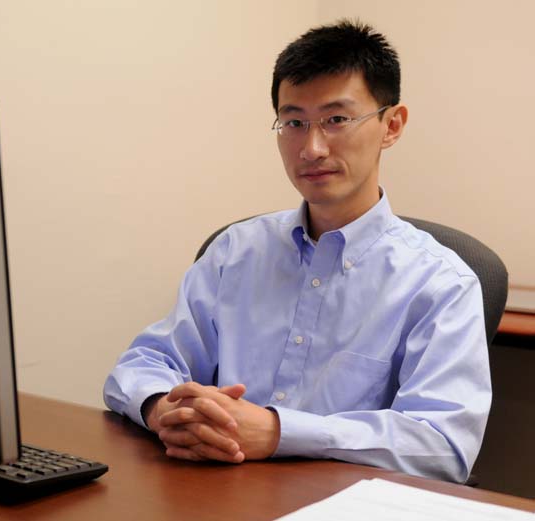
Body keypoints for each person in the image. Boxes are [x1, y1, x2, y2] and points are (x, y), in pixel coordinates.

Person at [103, 20, 491, 483]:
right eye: (293, 122)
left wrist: (277, 432)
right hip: (216, 495)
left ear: (392, 125)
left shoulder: (441, 282)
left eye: (337, 119)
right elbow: (144, 362)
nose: (311, 147)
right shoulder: (235, 251)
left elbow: (442, 446)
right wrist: (163, 408)